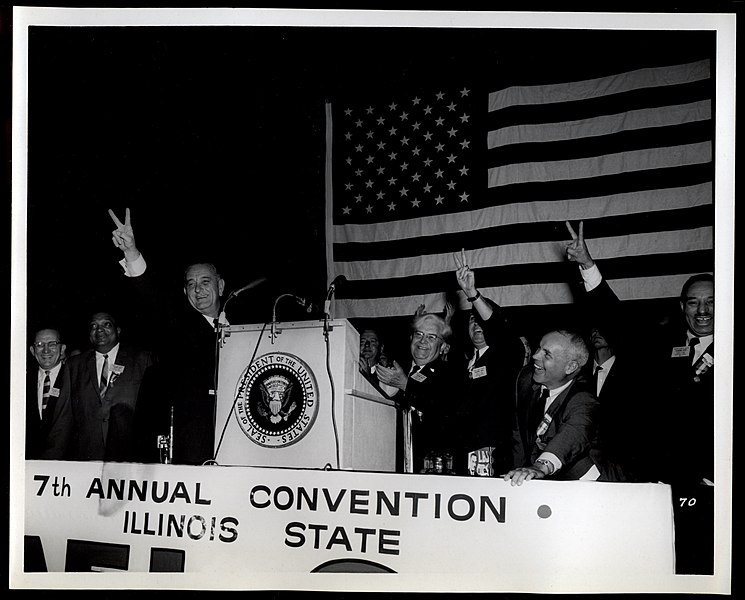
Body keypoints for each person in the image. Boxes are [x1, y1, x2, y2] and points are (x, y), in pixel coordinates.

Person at [564, 220, 715, 574]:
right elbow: (618, 322)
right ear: (682, 307)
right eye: (693, 303)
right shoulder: (664, 346)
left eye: (711, 302)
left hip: (714, 482)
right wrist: (588, 266)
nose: (702, 311)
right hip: (659, 482)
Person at [108, 208, 238, 465]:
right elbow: (155, 299)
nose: (198, 290)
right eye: (191, 284)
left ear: (221, 286)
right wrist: (131, 252)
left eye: (205, 282)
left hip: (238, 443)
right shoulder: (180, 327)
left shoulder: (245, 332)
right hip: (192, 449)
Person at [452, 249, 525, 477]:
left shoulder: (506, 354)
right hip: (462, 453)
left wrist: (472, 294)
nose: (478, 325)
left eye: (482, 319)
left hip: (494, 454)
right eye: (472, 319)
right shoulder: (461, 362)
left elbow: (499, 329)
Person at [505, 328, 599, 486]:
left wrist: (540, 467)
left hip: (587, 484)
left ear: (570, 367)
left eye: (546, 354)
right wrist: (519, 476)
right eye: (538, 348)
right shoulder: (526, 379)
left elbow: (571, 436)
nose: (535, 356)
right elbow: (519, 436)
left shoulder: (583, 399)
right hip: (542, 482)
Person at [376, 311, 459, 474]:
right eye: (419, 334)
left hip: (430, 469)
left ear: (442, 347)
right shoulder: (398, 369)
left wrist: (406, 385)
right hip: (389, 463)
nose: (422, 341)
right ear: (410, 338)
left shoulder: (451, 374)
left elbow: (443, 409)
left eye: (431, 337)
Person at [66, 311, 155, 461]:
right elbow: (65, 416)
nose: (99, 330)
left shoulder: (142, 359)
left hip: (131, 455)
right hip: (87, 456)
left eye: (106, 324)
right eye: (94, 326)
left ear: (118, 330)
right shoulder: (74, 365)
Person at [26, 327, 72, 459]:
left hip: (65, 466)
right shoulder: (21, 380)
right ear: (32, 350)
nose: (46, 350)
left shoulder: (74, 378)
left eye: (52, 344)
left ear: (62, 349)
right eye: (39, 345)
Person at [358, 327, 397, 399]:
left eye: (372, 341)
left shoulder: (389, 372)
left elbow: (384, 399)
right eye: (362, 342)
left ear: (381, 348)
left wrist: (368, 378)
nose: (367, 345)